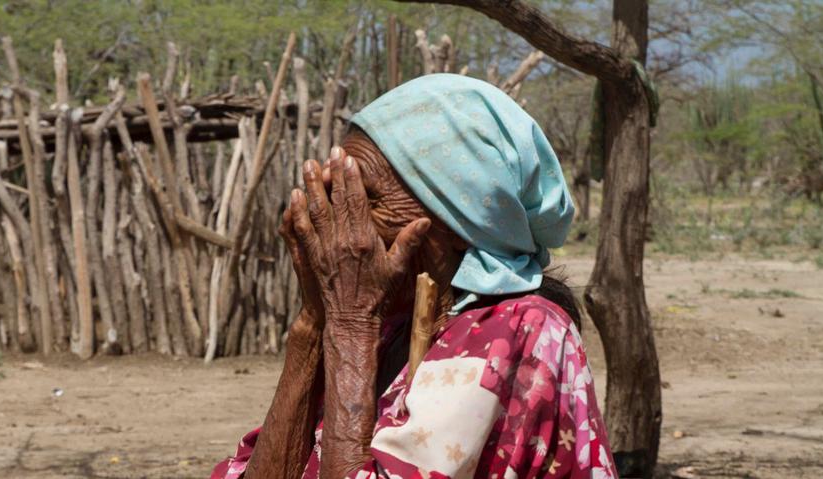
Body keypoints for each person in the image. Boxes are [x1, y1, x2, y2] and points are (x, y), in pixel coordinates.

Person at [212, 74, 617, 479]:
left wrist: (352, 324)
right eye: (337, 198)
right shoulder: (390, 330)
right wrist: (312, 326)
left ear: (459, 224)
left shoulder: (519, 330)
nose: (338, 227)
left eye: (365, 200)